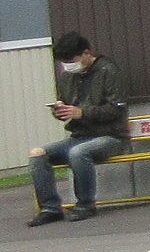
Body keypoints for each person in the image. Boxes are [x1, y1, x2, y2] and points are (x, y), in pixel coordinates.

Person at [28, 31, 128, 225]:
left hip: (111, 136)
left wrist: (82, 113)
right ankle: (50, 208)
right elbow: (68, 107)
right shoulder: (68, 77)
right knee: (37, 154)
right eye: (64, 61)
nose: (68, 65)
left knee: (78, 153)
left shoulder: (109, 71)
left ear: (86, 53)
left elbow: (116, 109)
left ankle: (85, 205)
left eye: (71, 60)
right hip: (79, 135)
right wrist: (60, 111)